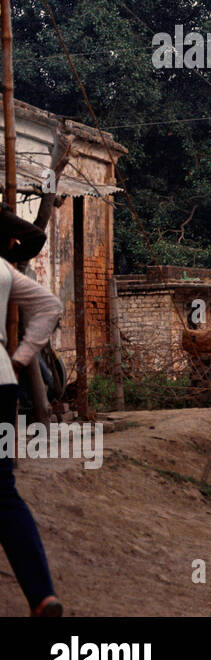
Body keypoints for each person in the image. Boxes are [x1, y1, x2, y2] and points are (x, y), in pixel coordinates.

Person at [0, 207, 64, 615]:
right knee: (2, 491)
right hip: (2, 381)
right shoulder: (4, 271)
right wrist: (20, 358)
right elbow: (50, 306)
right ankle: (42, 594)